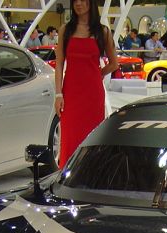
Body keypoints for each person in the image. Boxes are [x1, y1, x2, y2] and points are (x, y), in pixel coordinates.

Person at [54, 0, 118, 169]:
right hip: (71, 94)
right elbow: (59, 64)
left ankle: (91, 177)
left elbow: (114, 64)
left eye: (83, 0)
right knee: (69, 139)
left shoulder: (102, 31)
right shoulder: (65, 31)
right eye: (75, 1)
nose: (78, 4)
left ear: (91, 3)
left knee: (92, 137)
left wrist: (98, 74)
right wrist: (58, 94)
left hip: (93, 94)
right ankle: (66, 177)